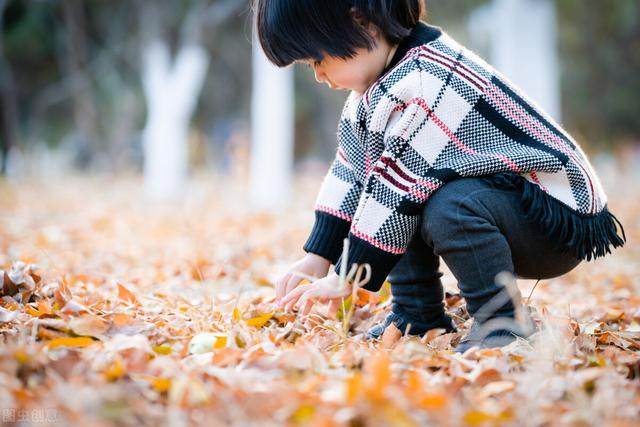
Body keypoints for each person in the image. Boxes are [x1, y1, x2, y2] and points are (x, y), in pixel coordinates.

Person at [255, 0, 626, 352]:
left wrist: (347, 274)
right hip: (507, 204)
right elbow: (351, 174)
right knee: (408, 195)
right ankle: (417, 316)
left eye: (319, 59)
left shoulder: (425, 79)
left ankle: (502, 322)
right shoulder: (374, 92)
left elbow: (392, 191)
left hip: (553, 217)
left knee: (435, 202)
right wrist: (317, 256)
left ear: (361, 22)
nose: (318, 74)